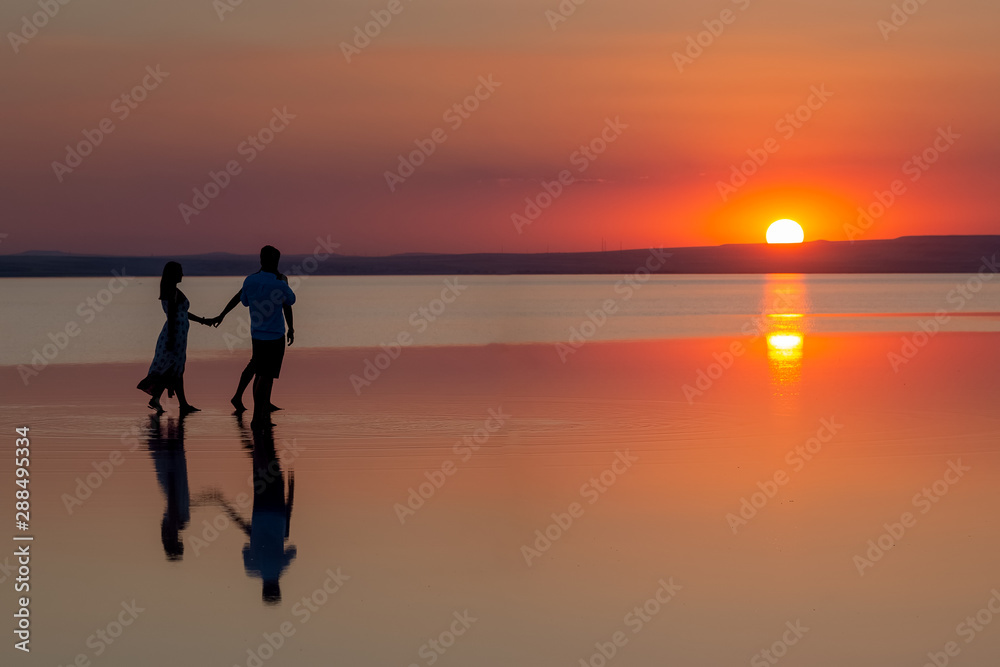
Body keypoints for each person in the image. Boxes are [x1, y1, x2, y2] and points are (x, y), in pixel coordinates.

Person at [213, 246, 295, 425]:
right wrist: (291, 328)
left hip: (257, 334)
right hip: (273, 335)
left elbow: (242, 299)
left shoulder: (251, 280)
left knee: (261, 371)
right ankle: (258, 414)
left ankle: (262, 408)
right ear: (274, 261)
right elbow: (288, 303)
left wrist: (222, 314)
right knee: (264, 373)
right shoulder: (280, 282)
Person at [137, 262, 213, 414]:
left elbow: (182, 313)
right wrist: (171, 338)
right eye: (180, 272)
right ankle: (180, 404)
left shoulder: (172, 291)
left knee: (175, 369)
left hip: (178, 335)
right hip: (175, 335)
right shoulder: (172, 292)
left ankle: (167, 401)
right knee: (172, 369)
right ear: (173, 274)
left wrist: (203, 320)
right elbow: (172, 316)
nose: (182, 275)